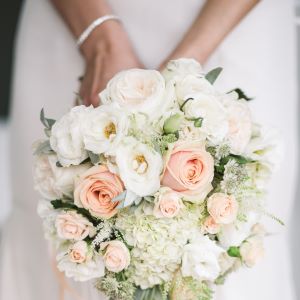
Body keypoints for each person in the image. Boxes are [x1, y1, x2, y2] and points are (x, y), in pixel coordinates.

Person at [0, 0, 297, 299]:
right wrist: (99, 41)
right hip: (74, 20)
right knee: (56, 231)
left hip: (233, 25)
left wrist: (183, 73)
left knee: (234, 243)